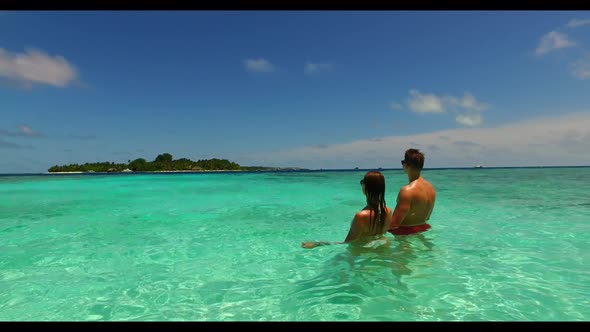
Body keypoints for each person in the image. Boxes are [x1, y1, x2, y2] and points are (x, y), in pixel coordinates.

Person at [301, 171, 393, 249]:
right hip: (382, 248)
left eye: (362, 182)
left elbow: (348, 243)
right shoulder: (388, 211)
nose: (361, 184)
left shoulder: (361, 216)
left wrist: (318, 244)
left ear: (366, 186)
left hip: (363, 253)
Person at [388, 148, 436, 236]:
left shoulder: (407, 191)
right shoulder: (431, 188)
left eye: (403, 162)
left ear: (407, 165)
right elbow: (427, 217)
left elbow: (394, 224)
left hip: (406, 234)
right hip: (424, 229)